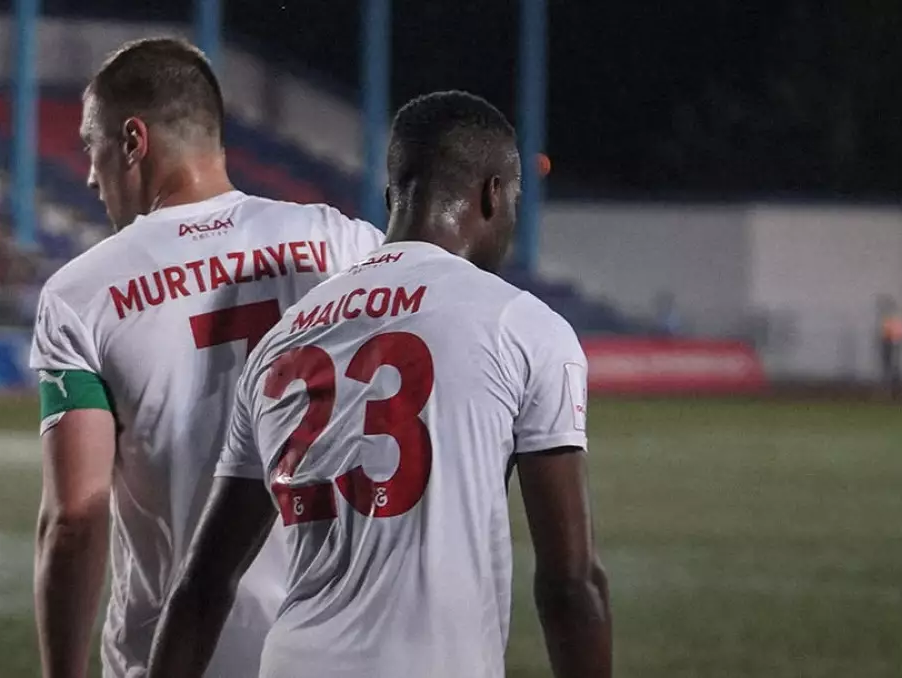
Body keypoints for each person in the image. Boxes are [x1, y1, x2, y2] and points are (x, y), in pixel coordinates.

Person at [148, 91, 613, 678]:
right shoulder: (521, 324)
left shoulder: (281, 339)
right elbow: (571, 582)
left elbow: (202, 583)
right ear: (494, 194)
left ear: (393, 198)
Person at [29, 37, 385, 678]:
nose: (89, 175)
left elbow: (76, 516)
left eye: (92, 146)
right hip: (339, 651)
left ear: (133, 141)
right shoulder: (347, 244)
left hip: (174, 655)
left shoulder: (80, 295)